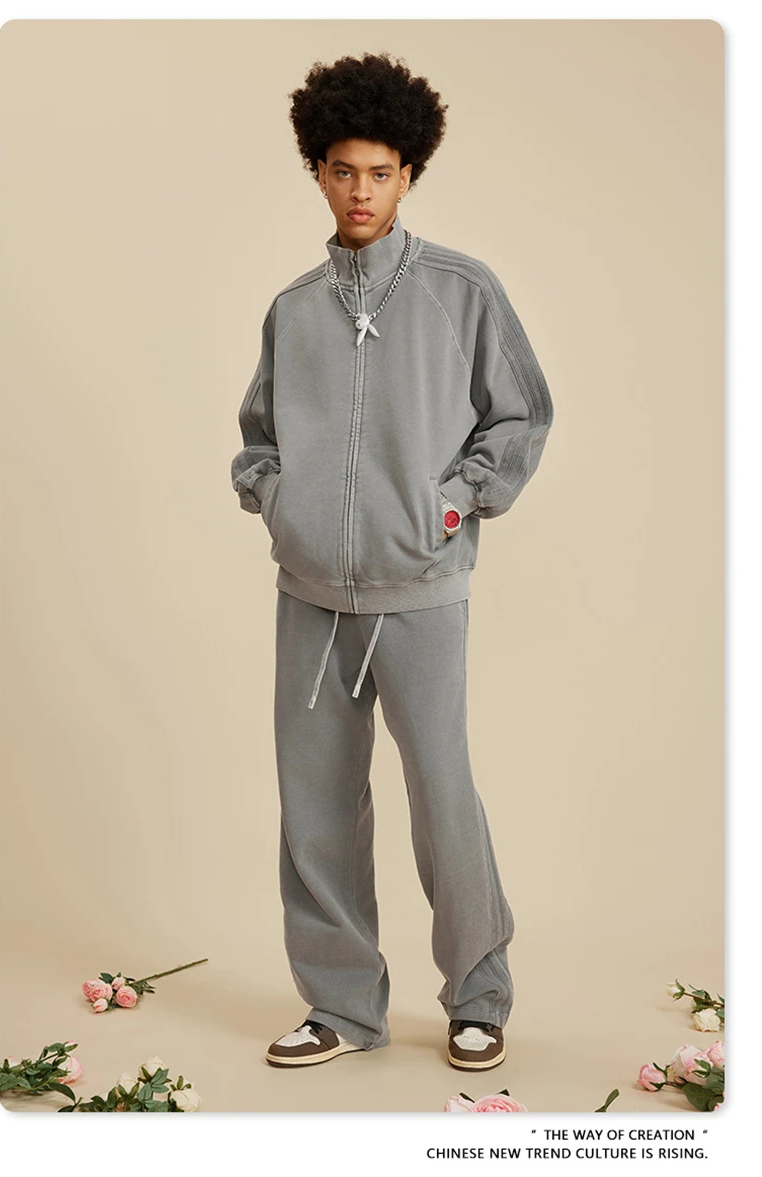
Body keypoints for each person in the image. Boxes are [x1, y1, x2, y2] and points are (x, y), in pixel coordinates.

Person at [231, 51, 554, 1071]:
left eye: (379, 172)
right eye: (342, 171)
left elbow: (519, 417)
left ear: (408, 172)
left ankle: (478, 994)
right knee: (315, 805)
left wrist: (453, 503)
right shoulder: (293, 308)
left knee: (441, 793)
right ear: (318, 172)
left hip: (421, 588)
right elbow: (257, 441)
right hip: (310, 596)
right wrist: (280, 506)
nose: (360, 191)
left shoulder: (462, 289)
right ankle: (340, 1005)